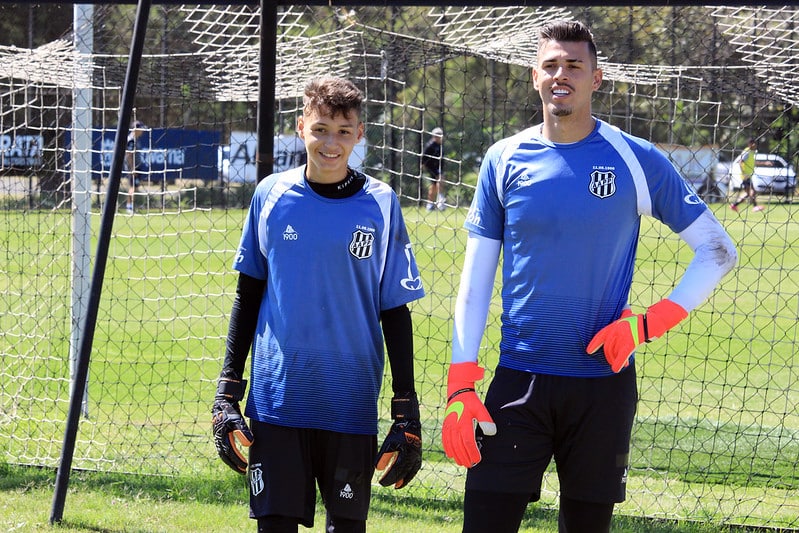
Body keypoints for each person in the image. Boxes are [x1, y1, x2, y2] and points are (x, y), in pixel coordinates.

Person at [441, 20, 737, 533]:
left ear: (596, 79)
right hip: (520, 382)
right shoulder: (503, 159)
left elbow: (718, 250)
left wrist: (646, 325)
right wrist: (461, 382)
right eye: (551, 65)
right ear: (535, 76)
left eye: (574, 66)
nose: (562, 75)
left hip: (602, 384)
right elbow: (475, 279)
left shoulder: (634, 158)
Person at [211, 76, 425, 533]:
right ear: (301, 125)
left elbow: (395, 310)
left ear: (360, 134)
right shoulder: (270, 195)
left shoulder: (383, 203)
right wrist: (227, 390)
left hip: (350, 404)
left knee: (346, 527)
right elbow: (247, 295)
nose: (331, 142)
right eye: (321, 128)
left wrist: (405, 407)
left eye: (344, 132)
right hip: (278, 400)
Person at [730, 138, 763, 212]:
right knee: (752, 191)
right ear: (749, 144)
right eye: (752, 143)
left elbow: (753, 163)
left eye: (755, 143)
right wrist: (744, 172)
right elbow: (740, 162)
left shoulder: (752, 152)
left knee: (748, 193)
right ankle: (755, 207)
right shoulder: (747, 152)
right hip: (745, 176)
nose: (754, 145)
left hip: (748, 175)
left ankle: (734, 205)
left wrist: (765, 163)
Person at [124, 120, 146, 214]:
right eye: (141, 129)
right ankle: (129, 207)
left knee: (135, 187)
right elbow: (129, 154)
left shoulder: (136, 139)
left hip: (137, 166)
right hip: (133, 168)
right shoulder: (131, 140)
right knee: (132, 187)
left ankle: (130, 206)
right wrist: (132, 168)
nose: (142, 131)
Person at [422, 127, 446, 211]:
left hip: (438, 167)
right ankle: (440, 201)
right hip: (432, 167)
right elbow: (424, 158)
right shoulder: (431, 145)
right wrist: (425, 166)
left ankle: (430, 204)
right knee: (440, 179)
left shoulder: (440, 145)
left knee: (434, 185)